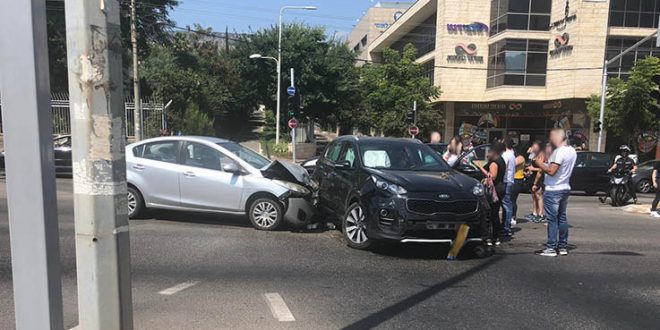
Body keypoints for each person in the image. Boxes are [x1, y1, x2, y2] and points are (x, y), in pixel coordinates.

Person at [534, 128, 577, 257]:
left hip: (554, 189)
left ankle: (551, 247)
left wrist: (540, 164)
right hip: (565, 187)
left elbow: (552, 171)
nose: (551, 139)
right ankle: (562, 246)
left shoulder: (559, 152)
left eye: (552, 137)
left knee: (552, 220)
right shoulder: (572, 151)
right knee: (562, 218)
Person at [475, 142, 506, 246]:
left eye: (490, 151)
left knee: (491, 213)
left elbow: (492, 176)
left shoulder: (494, 163)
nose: (488, 153)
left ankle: (491, 237)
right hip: (501, 188)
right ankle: (495, 236)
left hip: (494, 190)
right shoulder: (501, 160)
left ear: (494, 152)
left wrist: (480, 167)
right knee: (495, 212)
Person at [500, 137, 516, 237]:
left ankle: (506, 227)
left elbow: (502, 167)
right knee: (507, 204)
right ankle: (506, 226)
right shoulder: (512, 154)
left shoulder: (506, 155)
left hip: (506, 181)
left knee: (506, 205)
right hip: (510, 181)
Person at [524, 141, 543, 221]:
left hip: (538, 178)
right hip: (532, 177)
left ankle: (540, 214)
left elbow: (542, 169)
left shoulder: (541, 155)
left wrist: (533, 169)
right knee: (533, 195)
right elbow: (529, 163)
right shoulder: (533, 155)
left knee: (539, 195)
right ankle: (534, 212)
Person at [510, 147, 527, 226]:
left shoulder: (520, 158)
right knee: (509, 200)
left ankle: (513, 217)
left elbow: (512, 164)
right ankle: (509, 216)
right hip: (512, 179)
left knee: (512, 199)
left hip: (517, 179)